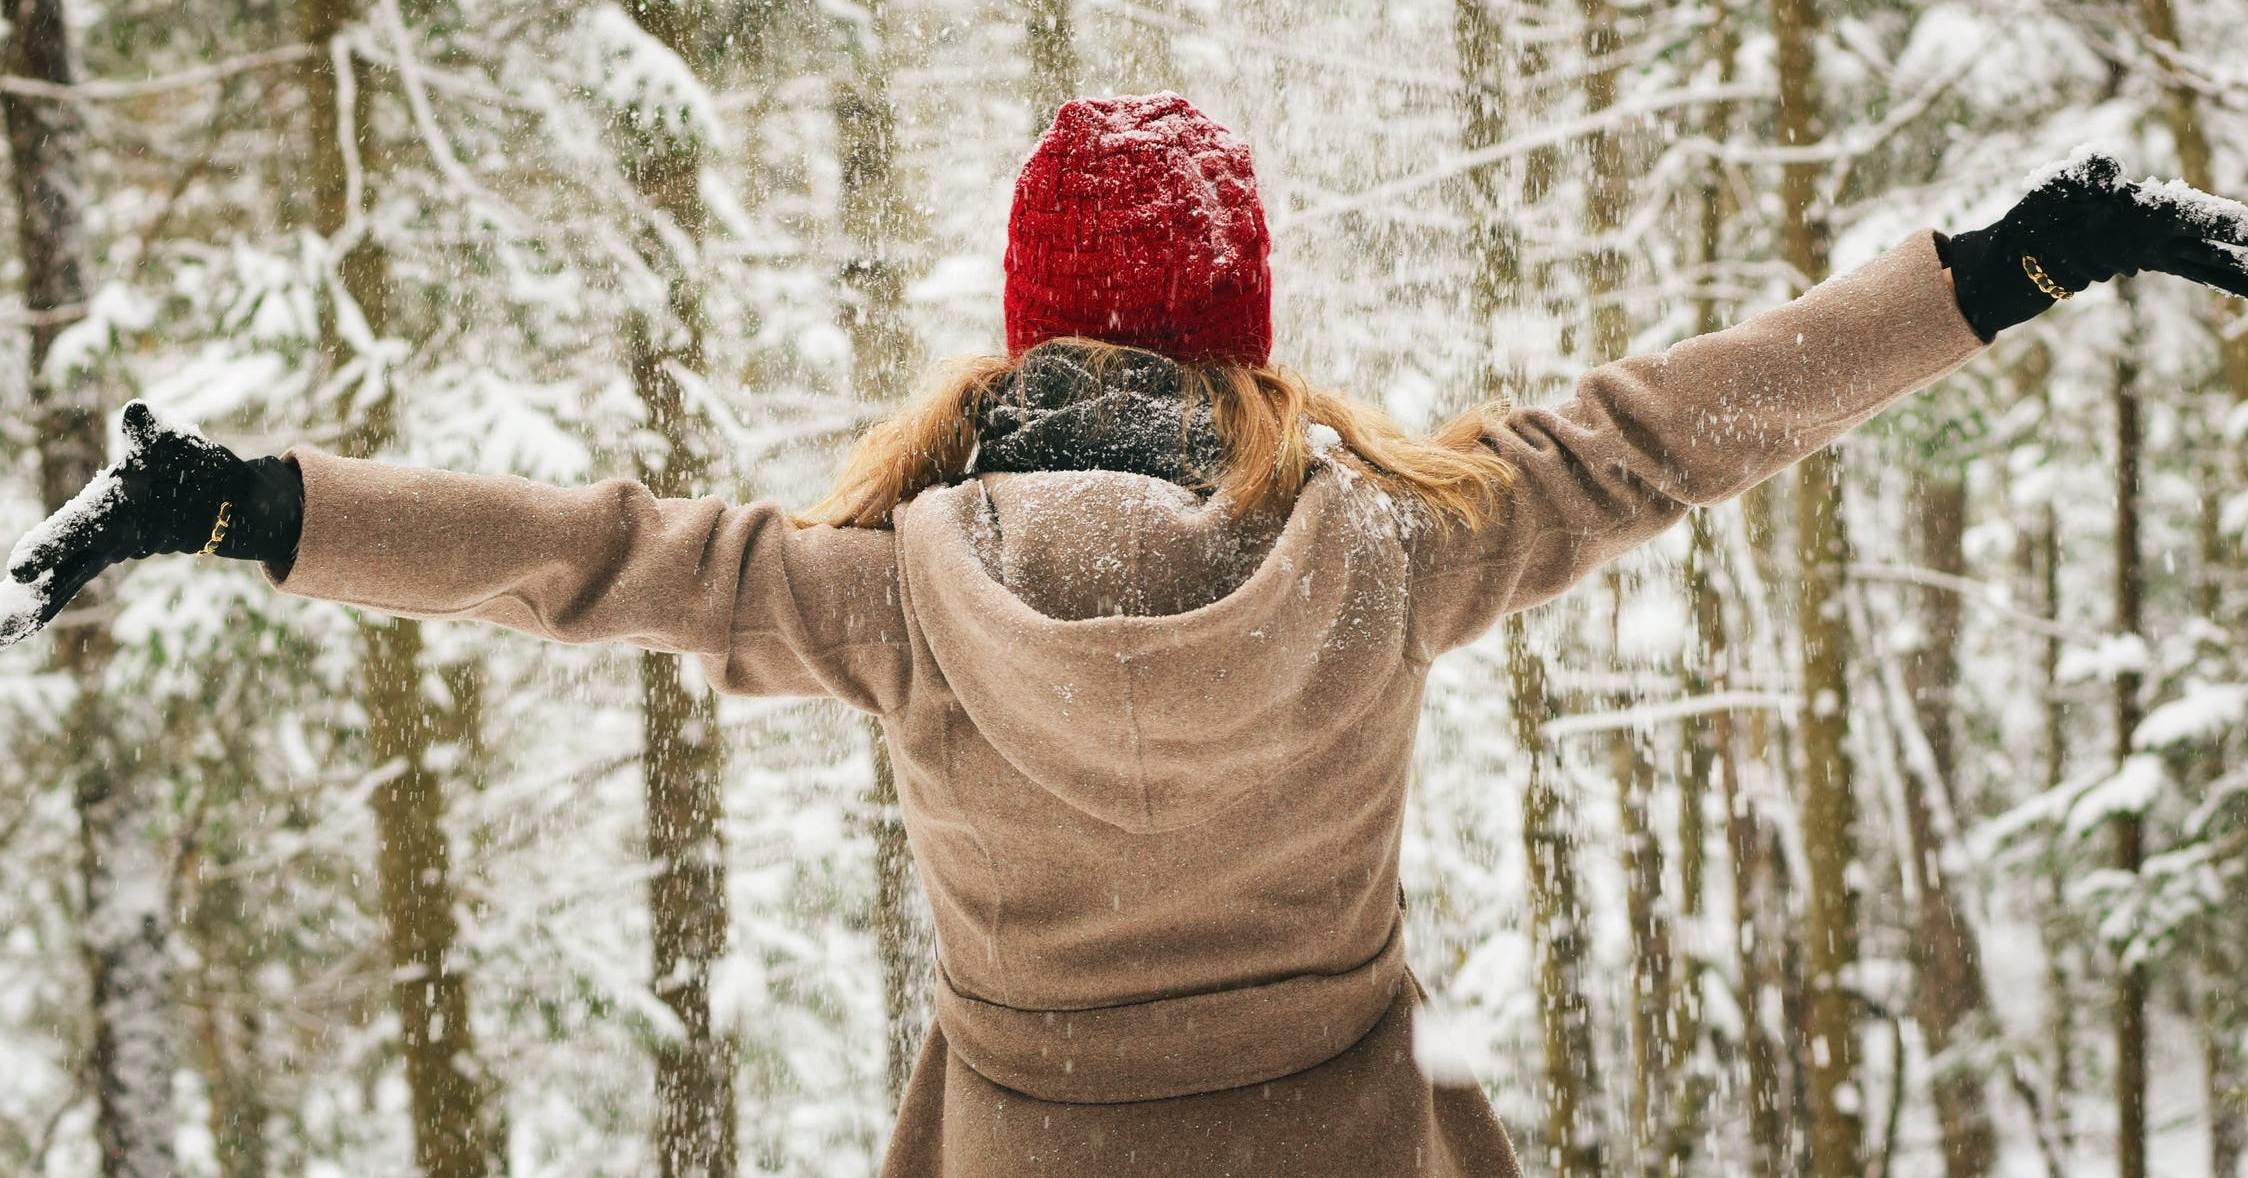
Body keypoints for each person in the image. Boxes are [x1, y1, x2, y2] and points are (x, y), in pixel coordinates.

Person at [5, 94, 2246, 1176]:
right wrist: (2015, 260)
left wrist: (247, 504)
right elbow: (1673, 429)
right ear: (1239, 330)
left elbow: (589, 558)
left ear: (1023, 333)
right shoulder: (1391, 550)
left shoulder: (895, 594)